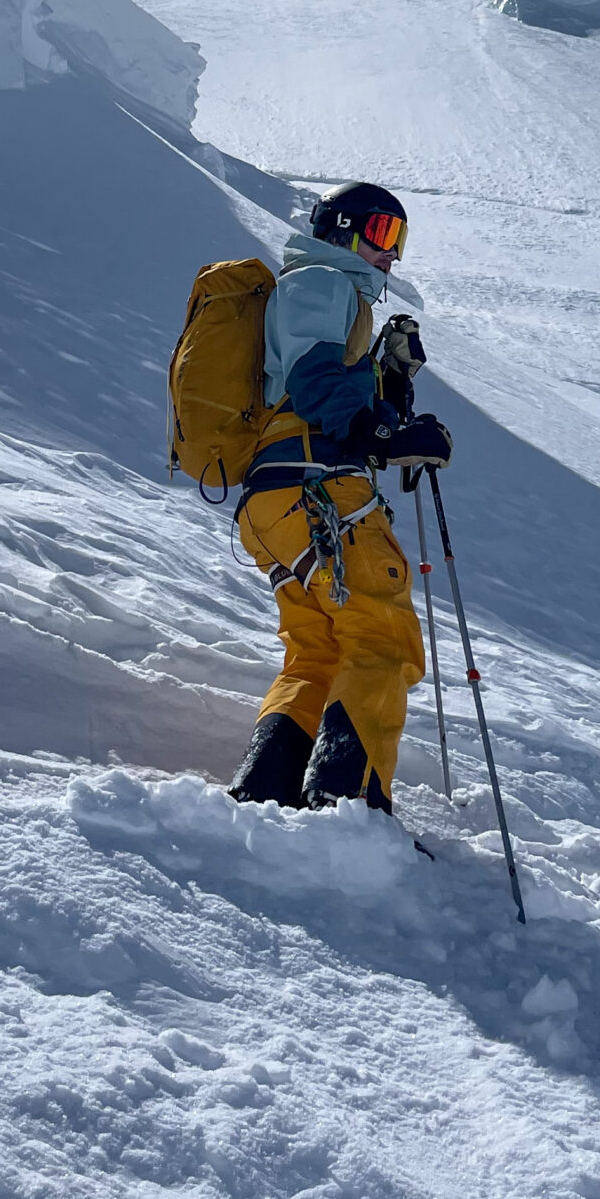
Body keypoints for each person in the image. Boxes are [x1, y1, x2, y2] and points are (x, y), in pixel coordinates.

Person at [228, 181, 452, 815]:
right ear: (344, 229)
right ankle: (345, 807)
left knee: (320, 647)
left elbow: (325, 389)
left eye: (399, 241)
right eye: (383, 235)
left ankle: (267, 791)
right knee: (382, 637)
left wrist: (390, 390)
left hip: (277, 502)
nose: (392, 254)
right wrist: (383, 430)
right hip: (319, 491)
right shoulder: (324, 280)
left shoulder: (326, 294)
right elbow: (316, 377)